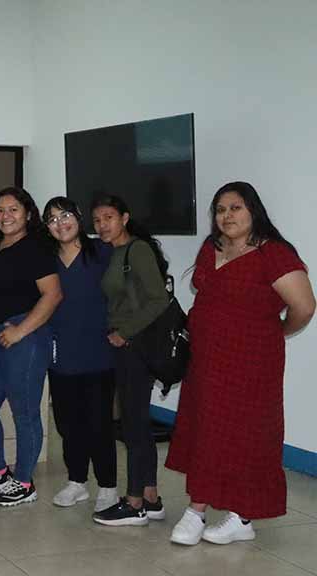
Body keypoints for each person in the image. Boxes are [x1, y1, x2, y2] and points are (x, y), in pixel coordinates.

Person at [167, 182, 314, 545]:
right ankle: (197, 508)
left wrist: (276, 332)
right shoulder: (210, 247)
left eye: (235, 208)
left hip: (251, 362)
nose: (226, 216)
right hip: (205, 360)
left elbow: (305, 307)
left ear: (253, 211)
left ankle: (241, 515)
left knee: (245, 435)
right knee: (206, 430)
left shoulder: (273, 253)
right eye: (220, 209)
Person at [0, 187, 61, 507]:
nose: (6, 216)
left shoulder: (36, 248)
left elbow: (52, 294)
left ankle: (23, 481)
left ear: (28, 214)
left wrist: (20, 331)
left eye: (13, 210)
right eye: (0, 210)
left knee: (24, 412)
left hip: (26, 336)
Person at [89, 194, 170, 526]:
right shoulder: (114, 252)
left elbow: (159, 300)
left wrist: (126, 333)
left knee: (134, 425)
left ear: (124, 217)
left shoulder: (137, 250)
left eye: (108, 217)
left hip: (135, 346)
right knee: (137, 422)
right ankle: (150, 497)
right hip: (125, 346)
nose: (102, 225)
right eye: (96, 220)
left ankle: (134, 502)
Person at [41, 197, 118, 512]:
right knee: (67, 423)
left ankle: (108, 486)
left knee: (99, 422)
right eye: (52, 219)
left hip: (99, 354)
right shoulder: (46, 261)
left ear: (78, 217)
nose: (60, 223)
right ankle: (77, 481)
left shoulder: (102, 253)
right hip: (62, 355)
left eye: (66, 215)